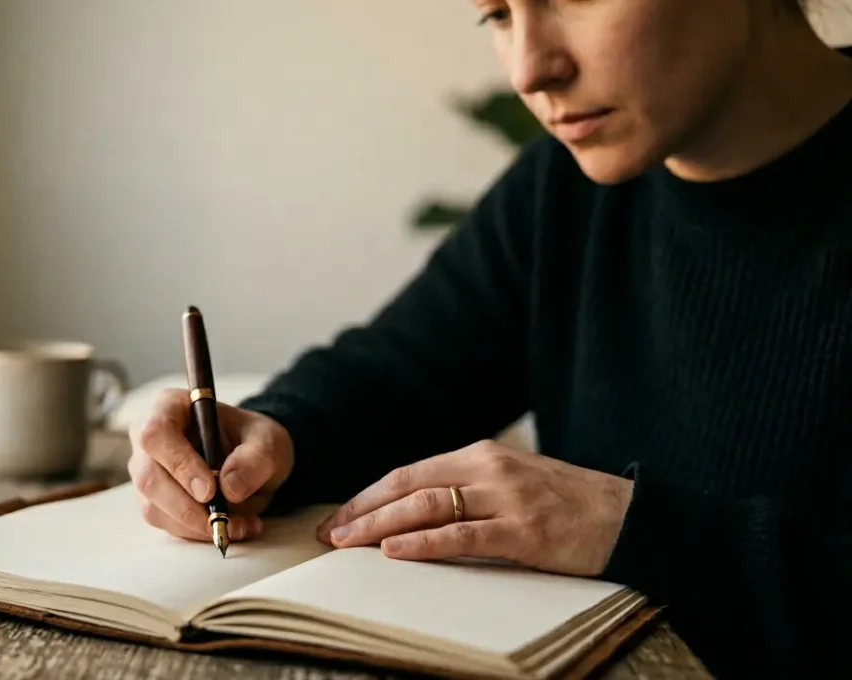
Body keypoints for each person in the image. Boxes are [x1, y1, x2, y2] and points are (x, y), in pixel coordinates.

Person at [127, 0, 852, 677]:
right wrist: (272, 434)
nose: (529, 69)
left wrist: (640, 531)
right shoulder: (564, 189)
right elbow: (402, 373)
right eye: (497, 14)